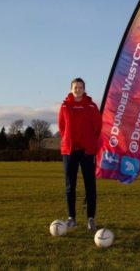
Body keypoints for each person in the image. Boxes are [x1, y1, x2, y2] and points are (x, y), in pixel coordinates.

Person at [58, 77, 102, 231]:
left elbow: (98, 127)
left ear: (84, 89)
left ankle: (91, 218)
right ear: (71, 89)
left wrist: (90, 141)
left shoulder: (91, 106)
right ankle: (72, 218)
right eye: (75, 87)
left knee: (90, 185)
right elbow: (62, 127)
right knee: (70, 186)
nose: (78, 89)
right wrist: (68, 140)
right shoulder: (64, 106)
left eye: (80, 87)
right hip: (69, 152)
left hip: (87, 152)